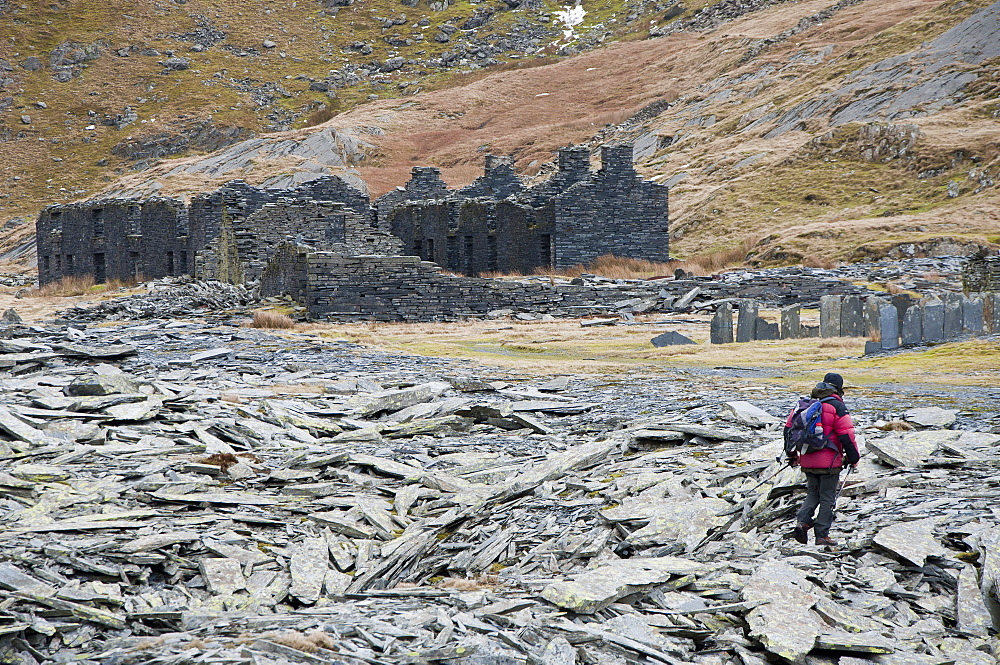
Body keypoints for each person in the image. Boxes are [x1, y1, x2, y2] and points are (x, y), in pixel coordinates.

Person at [785, 372, 861, 547]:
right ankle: (822, 535)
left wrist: (792, 455)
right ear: (838, 389)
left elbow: (788, 429)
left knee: (813, 493)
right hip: (829, 461)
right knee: (827, 497)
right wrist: (853, 457)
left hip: (807, 458)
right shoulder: (837, 407)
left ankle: (803, 522)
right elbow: (846, 435)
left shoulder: (805, 403)